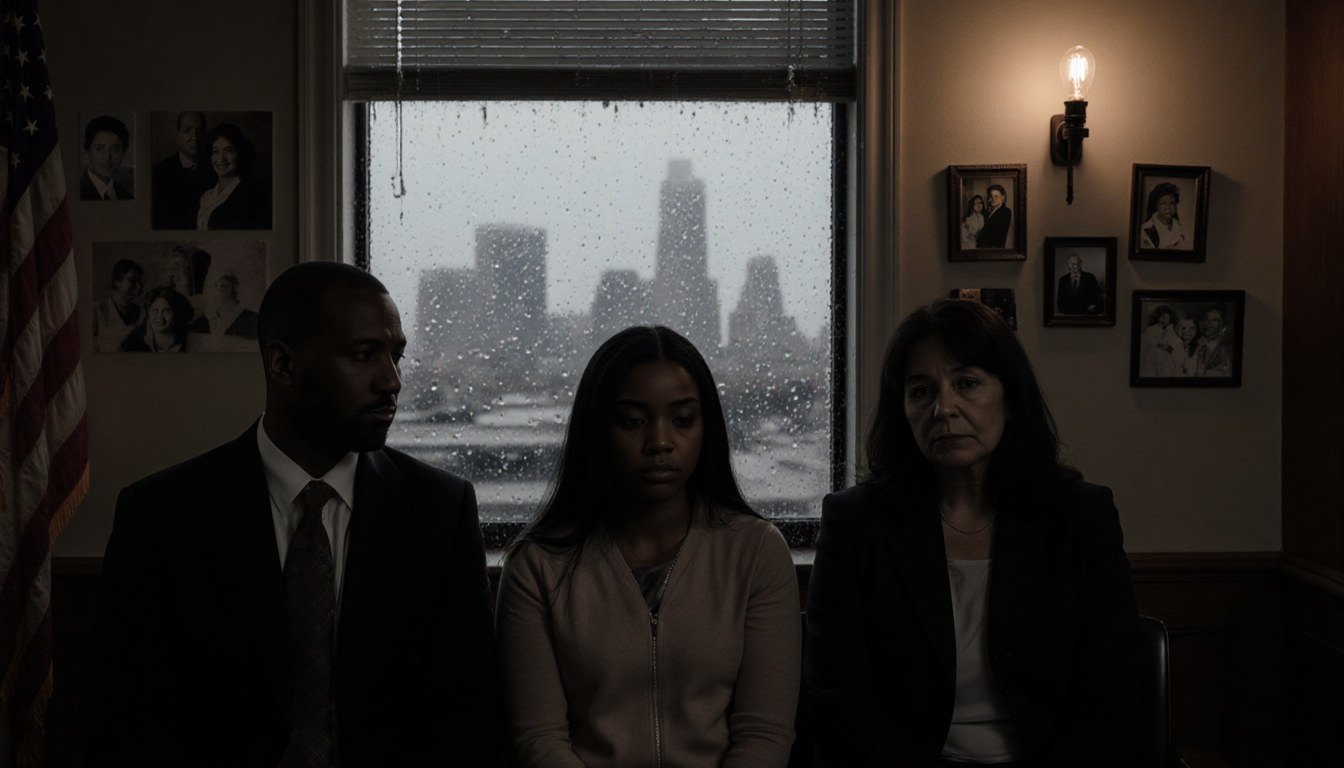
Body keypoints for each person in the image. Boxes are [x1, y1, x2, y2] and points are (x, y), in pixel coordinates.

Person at [82, 262, 502, 767]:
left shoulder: (441, 511)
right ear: (282, 365)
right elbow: (128, 723)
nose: (391, 382)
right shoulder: (162, 516)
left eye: (396, 356)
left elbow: (467, 718)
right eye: (364, 355)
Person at [805, 298, 1140, 767]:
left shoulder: (1081, 517)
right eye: (921, 391)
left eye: (967, 383)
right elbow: (839, 703)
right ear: (902, 410)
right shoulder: (856, 524)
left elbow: (1112, 696)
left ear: (1010, 396)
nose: (944, 408)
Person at [496, 325, 800, 768]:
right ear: (597, 428)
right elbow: (540, 740)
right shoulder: (538, 566)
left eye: (682, 420)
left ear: (706, 427)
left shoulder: (755, 553)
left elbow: (764, 735)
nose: (660, 442)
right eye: (633, 421)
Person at [197, 122, 272, 230]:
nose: (221, 158)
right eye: (216, 151)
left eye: (228, 151)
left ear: (240, 154)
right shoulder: (207, 197)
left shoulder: (251, 197)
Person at [152, 111, 216, 229]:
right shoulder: (157, 173)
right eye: (187, 130)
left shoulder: (216, 171)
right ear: (178, 135)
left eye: (199, 131)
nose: (194, 138)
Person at [189, 267, 260, 339]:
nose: (220, 289)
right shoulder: (206, 318)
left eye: (225, 286)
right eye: (217, 286)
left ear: (235, 286)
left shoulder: (251, 318)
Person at [91, 259, 145, 353]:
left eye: (139, 282)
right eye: (132, 280)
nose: (138, 287)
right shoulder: (97, 311)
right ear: (117, 282)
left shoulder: (142, 314)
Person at [120, 286, 193, 353]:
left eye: (166, 310)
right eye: (155, 311)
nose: (160, 317)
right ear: (148, 313)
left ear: (175, 313)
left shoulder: (189, 341)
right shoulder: (134, 342)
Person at [80, 115, 132, 201]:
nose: (107, 157)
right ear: (88, 151)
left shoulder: (126, 196)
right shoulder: (77, 193)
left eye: (115, 149)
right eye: (100, 149)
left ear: (124, 152)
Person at [1138, 182, 1191, 250]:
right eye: (1163, 203)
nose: (1168, 207)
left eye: (1172, 203)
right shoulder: (1146, 230)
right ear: (1156, 205)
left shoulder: (1181, 228)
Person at [1139, 304, 1181, 377]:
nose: (1164, 320)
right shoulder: (1150, 331)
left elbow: (1176, 350)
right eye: (1163, 317)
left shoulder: (1172, 333)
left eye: (1167, 318)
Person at [1196, 306, 1233, 376]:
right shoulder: (1200, 343)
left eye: (1214, 320)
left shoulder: (1226, 346)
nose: (1209, 324)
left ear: (1222, 322)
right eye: (1206, 320)